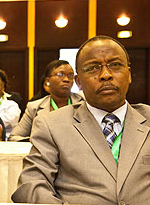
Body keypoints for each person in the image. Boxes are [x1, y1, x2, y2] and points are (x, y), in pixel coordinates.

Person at [12, 35, 150, 204]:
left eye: (115, 65)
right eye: (93, 68)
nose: (105, 75)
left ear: (129, 74)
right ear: (78, 82)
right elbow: (31, 185)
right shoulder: (51, 124)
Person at [9, 60, 84, 141]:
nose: (66, 79)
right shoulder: (34, 107)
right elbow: (14, 137)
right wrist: (39, 142)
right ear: (47, 82)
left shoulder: (83, 103)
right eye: (60, 74)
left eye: (70, 75)